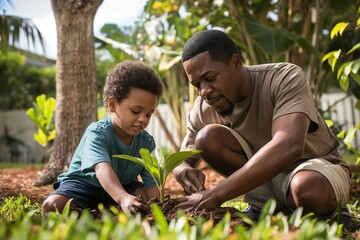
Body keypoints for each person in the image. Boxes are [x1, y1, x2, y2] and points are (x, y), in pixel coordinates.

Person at [174, 29, 352, 223]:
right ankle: (263, 208)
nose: (204, 91)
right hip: (265, 184)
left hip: (316, 169)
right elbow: (181, 159)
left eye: (210, 78)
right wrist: (183, 171)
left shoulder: (283, 77)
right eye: (197, 85)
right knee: (207, 138)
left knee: (307, 189)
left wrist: (215, 195)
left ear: (235, 63)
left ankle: (328, 212)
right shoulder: (204, 106)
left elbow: (288, 145)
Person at [42, 60, 163, 216]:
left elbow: (152, 182)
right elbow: (101, 169)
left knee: (148, 198)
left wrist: (157, 210)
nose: (143, 119)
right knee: (53, 205)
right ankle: (92, 213)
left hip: (123, 186)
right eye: (135, 111)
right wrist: (123, 198)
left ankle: (105, 211)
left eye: (148, 114)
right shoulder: (97, 133)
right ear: (113, 105)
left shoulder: (146, 142)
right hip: (84, 185)